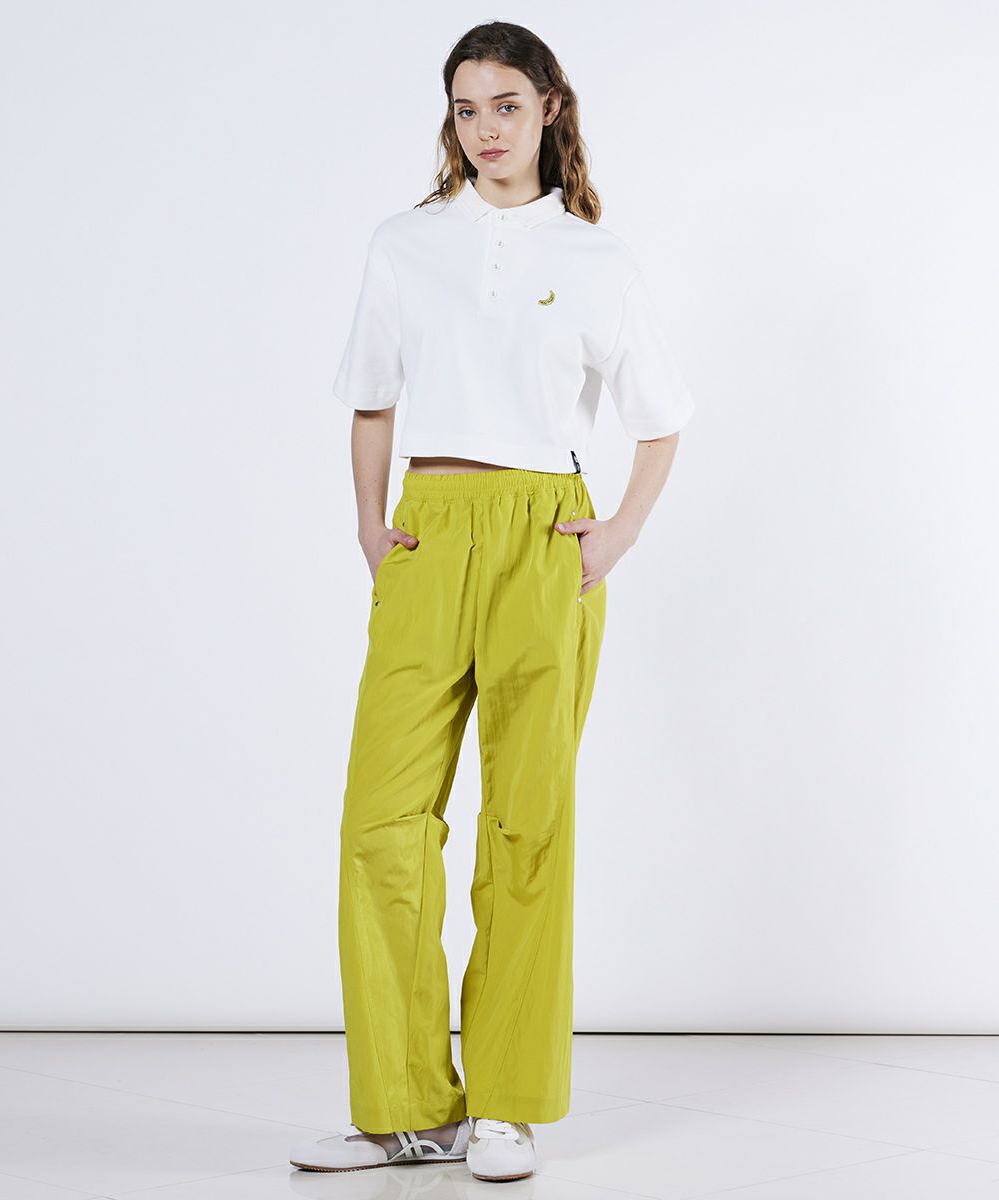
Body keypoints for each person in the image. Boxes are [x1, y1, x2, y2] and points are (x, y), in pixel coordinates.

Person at [289, 19, 695, 1183]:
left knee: (526, 826)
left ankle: (506, 1103)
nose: (485, 129)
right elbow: (372, 399)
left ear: (550, 107)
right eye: (466, 109)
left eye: (506, 105)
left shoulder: (598, 259)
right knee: (381, 825)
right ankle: (405, 1109)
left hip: (543, 539)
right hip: (427, 530)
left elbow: (661, 420)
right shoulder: (405, 244)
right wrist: (370, 527)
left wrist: (614, 535)